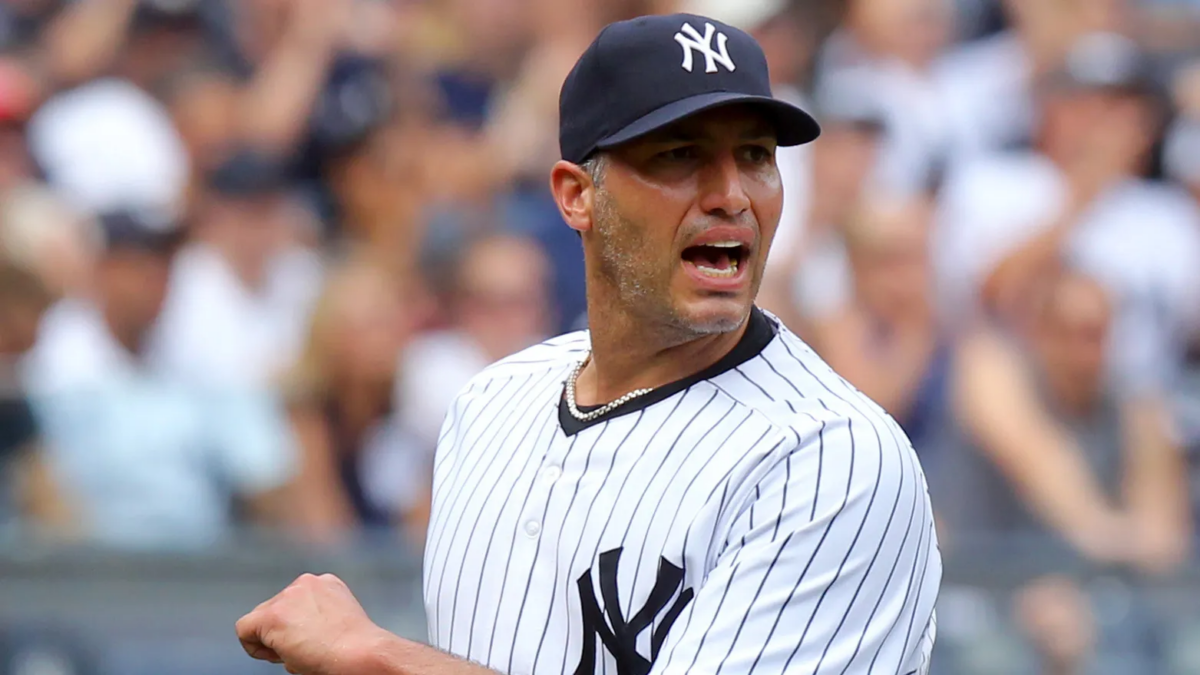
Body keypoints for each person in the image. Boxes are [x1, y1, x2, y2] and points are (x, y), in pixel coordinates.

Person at [237, 13, 941, 675]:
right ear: (577, 196)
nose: (732, 194)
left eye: (755, 155)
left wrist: (374, 655)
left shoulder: (832, 456)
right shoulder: (489, 404)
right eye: (681, 154)